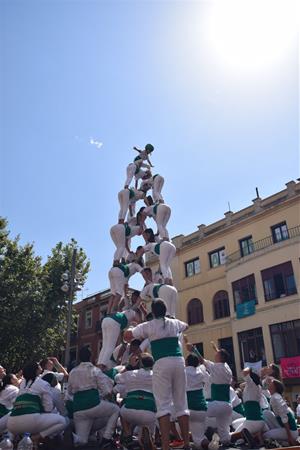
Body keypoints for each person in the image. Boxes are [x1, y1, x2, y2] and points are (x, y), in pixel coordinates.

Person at [124, 300, 190, 450]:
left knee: (163, 404)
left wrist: (132, 327)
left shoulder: (149, 325)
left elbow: (127, 335)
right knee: (181, 402)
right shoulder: (174, 323)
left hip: (162, 363)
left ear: (153, 312)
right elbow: (186, 325)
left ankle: (165, 446)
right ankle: (186, 443)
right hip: (179, 362)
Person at [68, 346, 119, 448]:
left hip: (78, 408)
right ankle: (106, 438)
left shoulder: (72, 372)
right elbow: (107, 390)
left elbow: (70, 391)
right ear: (90, 357)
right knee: (115, 410)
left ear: (78, 358)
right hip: (93, 404)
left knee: (81, 441)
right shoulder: (95, 370)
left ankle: (70, 436)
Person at [7, 362, 67, 444]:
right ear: (36, 370)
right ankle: (35, 438)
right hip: (30, 421)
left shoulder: (22, 384)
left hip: (11, 425)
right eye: (38, 365)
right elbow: (48, 408)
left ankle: (12, 439)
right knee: (62, 421)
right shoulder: (43, 384)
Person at [186, 340, 233, 446]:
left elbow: (202, 361)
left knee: (198, 411)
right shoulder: (227, 368)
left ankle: (202, 437)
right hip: (227, 406)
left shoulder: (216, 367)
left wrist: (194, 350)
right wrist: (216, 349)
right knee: (224, 432)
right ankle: (227, 442)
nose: (215, 354)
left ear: (220, 357)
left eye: (217, 353)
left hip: (217, 404)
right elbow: (222, 357)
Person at [115, 353, 157, 447]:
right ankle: (150, 436)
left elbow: (117, 378)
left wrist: (129, 366)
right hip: (149, 413)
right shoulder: (157, 376)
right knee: (153, 412)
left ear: (140, 363)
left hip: (129, 411)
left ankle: (128, 434)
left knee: (122, 406)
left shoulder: (131, 373)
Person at [230, 368, 267, 448]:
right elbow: (242, 385)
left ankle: (247, 438)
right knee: (234, 423)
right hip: (257, 420)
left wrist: (250, 368)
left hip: (253, 421)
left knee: (233, 437)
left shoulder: (252, 384)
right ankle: (253, 435)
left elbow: (245, 372)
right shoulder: (257, 387)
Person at [263, 379, 298, 446]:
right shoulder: (274, 396)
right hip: (284, 427)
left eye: (271, 383)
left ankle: (284, 443)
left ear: (274, 387)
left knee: (265, 435)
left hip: (290, 431)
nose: (269, 384)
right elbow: (263, 389)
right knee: (266, 413)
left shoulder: (276, 398)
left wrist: (290, 437)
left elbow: (284, 418)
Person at [185, 354, 209, 450]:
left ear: (187, 362)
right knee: (199, 437)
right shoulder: (201, 371)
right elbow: (208, 379)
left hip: (188, 407)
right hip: (201, 408)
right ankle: (208, 443)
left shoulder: (183, 371)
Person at [0, 373, 19, 438]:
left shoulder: (4, 388)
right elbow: (17, 405)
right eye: (16, 378)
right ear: (12, 380)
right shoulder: (14, 389)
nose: (18, 379)